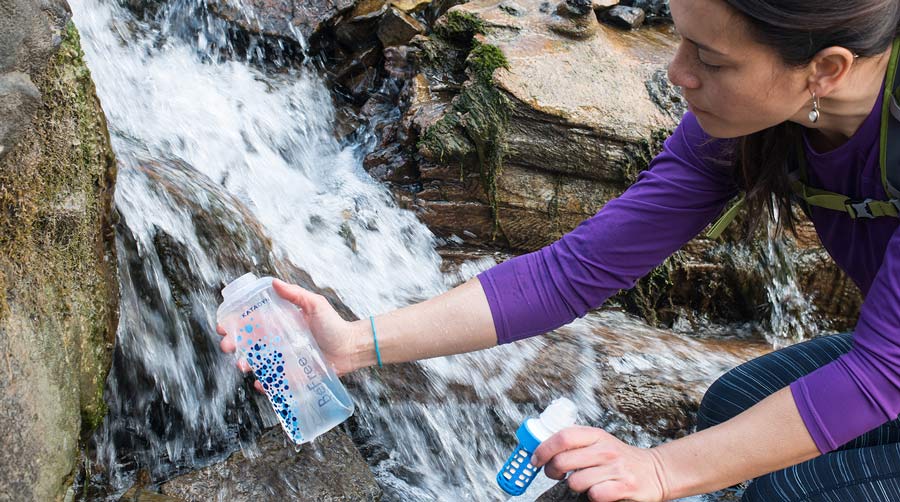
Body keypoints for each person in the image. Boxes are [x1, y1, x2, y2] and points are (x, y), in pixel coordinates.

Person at [218, 0, 900, 500]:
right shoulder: (733, 129)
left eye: (711, 60)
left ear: (826, 70)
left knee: (798, 492)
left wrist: (659, 470)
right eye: (681, 38)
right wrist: (353, 344)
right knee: (733, 404)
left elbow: (878, 375)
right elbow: (569, 275)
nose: (675, 72)